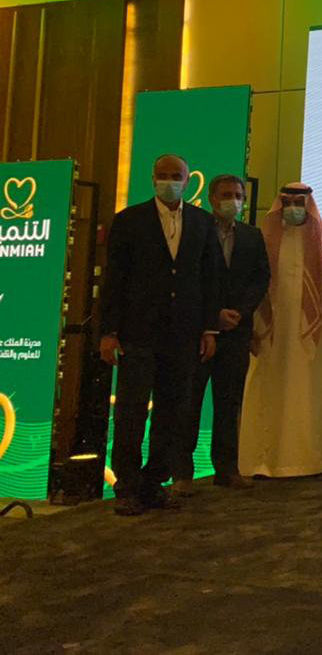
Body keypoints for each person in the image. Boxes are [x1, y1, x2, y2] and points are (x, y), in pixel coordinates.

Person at [99, 154, 221, 516]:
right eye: (163, 175)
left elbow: (209, 279)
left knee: (173, 413)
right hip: (138, 333)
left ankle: (154, 483)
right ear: (152, 179)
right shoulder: (129, 221)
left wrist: (209, 328)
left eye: (177, 176)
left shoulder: (202, 222)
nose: (170, 181)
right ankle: (126, 486)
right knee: (131, 413)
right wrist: (109, 332)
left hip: (183, 336)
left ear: (188, 180)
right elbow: (114, 281)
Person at [173, 174, 270, 495]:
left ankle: (226, 469)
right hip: (200, 331)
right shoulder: (195, 231)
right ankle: (182, 473)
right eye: (227, 194)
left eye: (239, 195)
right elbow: (188, 278)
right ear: (213, 199)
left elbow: (259, 279)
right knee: (190, 402)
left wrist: (239, 313)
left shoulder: (252, 236)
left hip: (237, 331)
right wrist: (212, 315)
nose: (234, 200)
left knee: (229, 403)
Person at [238, 183, 322, 479]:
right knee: (268, 392)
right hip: (271, 332)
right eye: (288, 202)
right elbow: (254, 285)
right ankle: (263, 461)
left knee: (307, 393)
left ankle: (307, 460)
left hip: (311, 337)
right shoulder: (263, 239)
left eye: (299, 202)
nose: (294, 208)